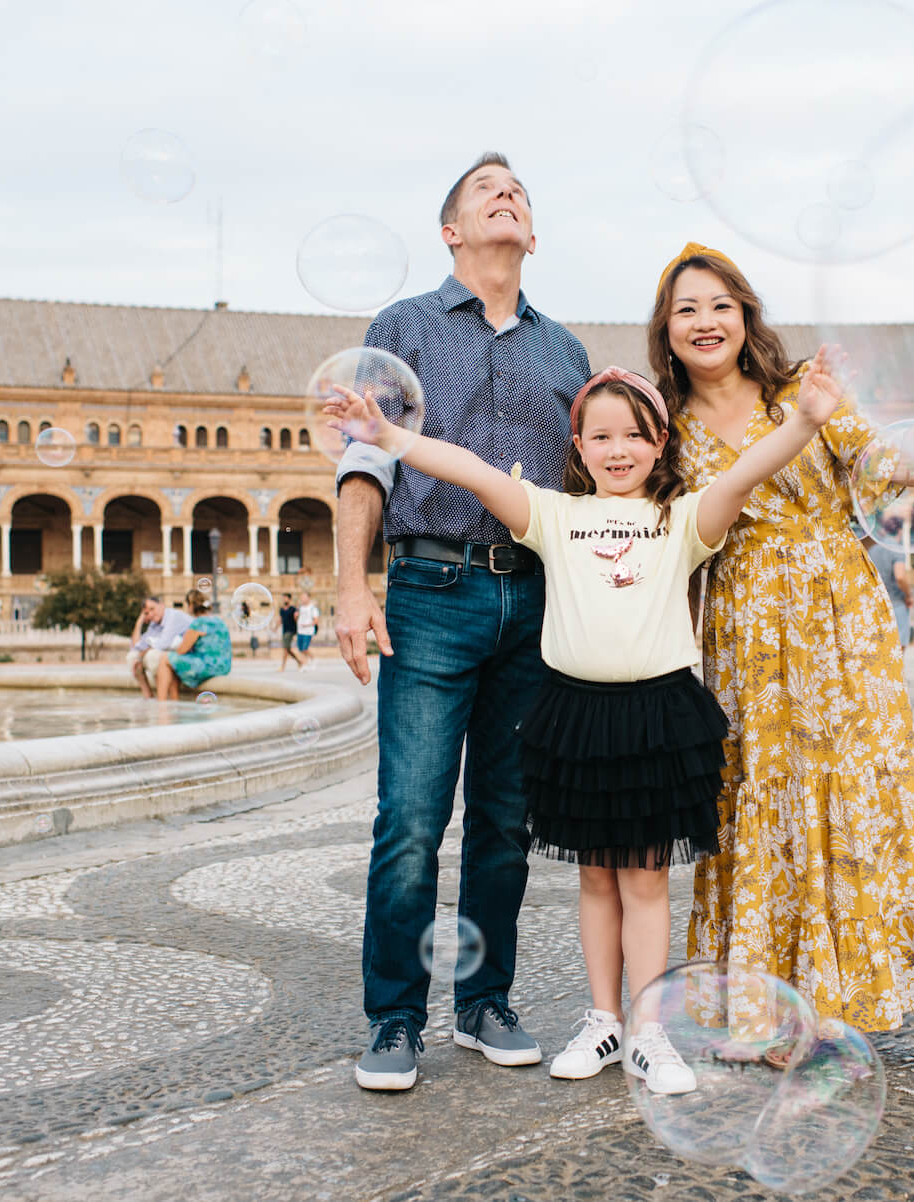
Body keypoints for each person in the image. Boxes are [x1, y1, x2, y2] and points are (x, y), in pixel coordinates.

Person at [325, 357, 844, 1092]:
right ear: (578, 446)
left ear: (660, 443)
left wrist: (806, 421)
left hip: (658, 716)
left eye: (634, 435)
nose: (618, 449)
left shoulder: (682, 518)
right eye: (601, 436)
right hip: (577, 716)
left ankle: (649, 1030)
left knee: (647, 880)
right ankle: (604, 1019)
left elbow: (743, 474)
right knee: (596, 878)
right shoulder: (555, 515)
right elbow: (474, 472)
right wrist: (389, 438)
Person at [648, 242, 914, 1083]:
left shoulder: (802, 389)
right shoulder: (667, 429)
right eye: (687, 309)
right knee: (767, 812)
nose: (706, 321)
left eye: (720, 305)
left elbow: (891, 468)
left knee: (875, 800)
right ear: (666, 329)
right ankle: (770, 1008)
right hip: (744, 638)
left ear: (745, 315)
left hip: (839, 623)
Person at [332, 152, 592, 1092]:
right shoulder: (402, 327)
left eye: (518, 189)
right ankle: (395, 1017)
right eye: (487, 189)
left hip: (535, 598)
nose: (507, 194)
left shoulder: (567, 353)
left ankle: (485, 1003)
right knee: (410, 817)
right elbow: (366, 460)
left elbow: (591, 483)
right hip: (431, 589)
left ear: (533, 234)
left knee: (505, 819)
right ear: (452, 230)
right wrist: (352, 586)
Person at [157, 588, 232, 699]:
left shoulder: (198, 623)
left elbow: (181, 650)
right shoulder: (219, 621)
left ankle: (162, 702)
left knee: (165, 659)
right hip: (224, 667)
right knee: (174, 663)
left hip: (208, 667)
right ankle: (173, 700)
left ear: (191, 606)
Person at [127, 595, 192, 698]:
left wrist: (141, 656)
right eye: (146, 613)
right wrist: (139, 622)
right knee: (132, 656)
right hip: (173, 652)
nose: (151, 614)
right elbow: (136, 646)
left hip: (189, 654)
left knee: (152, 655)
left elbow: (163, 644)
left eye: (152, 609)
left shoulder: (173, 616)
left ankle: (162, 696)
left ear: (162, 605)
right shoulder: (155, 623)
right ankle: (148, 696)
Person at [866, 516, 913, 646]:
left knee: (881, 646)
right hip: (896, 604)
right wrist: (908, 595)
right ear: (900, 531)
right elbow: (900, 577)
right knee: (899, 645)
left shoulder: (872, 550)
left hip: (876, 604)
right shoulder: (897, 549)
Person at [294, 591, 321, 671]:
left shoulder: (313, 608)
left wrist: (307, 625)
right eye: (301, 597)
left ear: (309, 598)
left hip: (308, 631)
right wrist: (295, 616)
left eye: (304, 597)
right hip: (300, 631)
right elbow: (296, 619)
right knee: (300, 649)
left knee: (305, 648)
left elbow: (316, 621)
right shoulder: (300, 608)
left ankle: (313, 659)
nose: (302, 599)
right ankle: (305, 664)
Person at [277, 593, 304, 671]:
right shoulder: (281, 609)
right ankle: (299, 662)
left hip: (291, 630)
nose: (284, 600)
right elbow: (280, 620)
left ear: (289, 599)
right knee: (288, 649)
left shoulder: (293, 609)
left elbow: (296, 620)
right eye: (283, 598)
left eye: (286, 598)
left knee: (285, 649)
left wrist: (296, 616)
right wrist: (275, 628)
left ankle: (283, 666)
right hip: (284, 631)